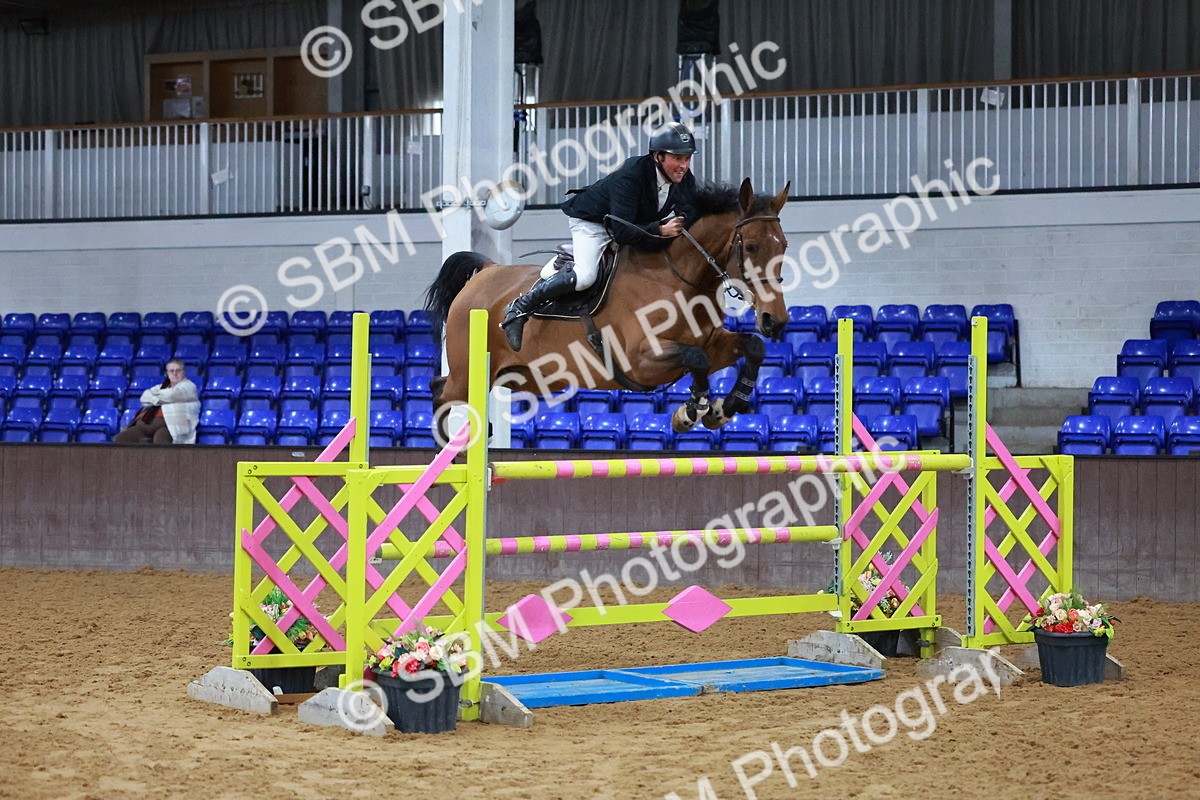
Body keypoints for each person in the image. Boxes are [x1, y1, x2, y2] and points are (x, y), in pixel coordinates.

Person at [500, 121, 700, 351]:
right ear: (658, 157)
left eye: (687, 158)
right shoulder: (631, 175)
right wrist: (660, 230)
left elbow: (691, 212)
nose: (683, 165)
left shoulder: (685, 179)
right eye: (678, 158)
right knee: (585, 276)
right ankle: (520, 307)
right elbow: (622, 232)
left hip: (631, 225)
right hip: (594, 223)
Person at [114, 358, 200, 444]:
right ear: (167, 373)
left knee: (160, 438)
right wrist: (159, 400)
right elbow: (144, 396)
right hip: (151, 421)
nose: (175, 373)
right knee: (122, 438)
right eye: (171, 371)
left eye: (178, 370)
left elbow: (171, 395)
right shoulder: (163, 386)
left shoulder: (189, 386)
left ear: (183, 372)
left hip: (172, 426)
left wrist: (155, 397)